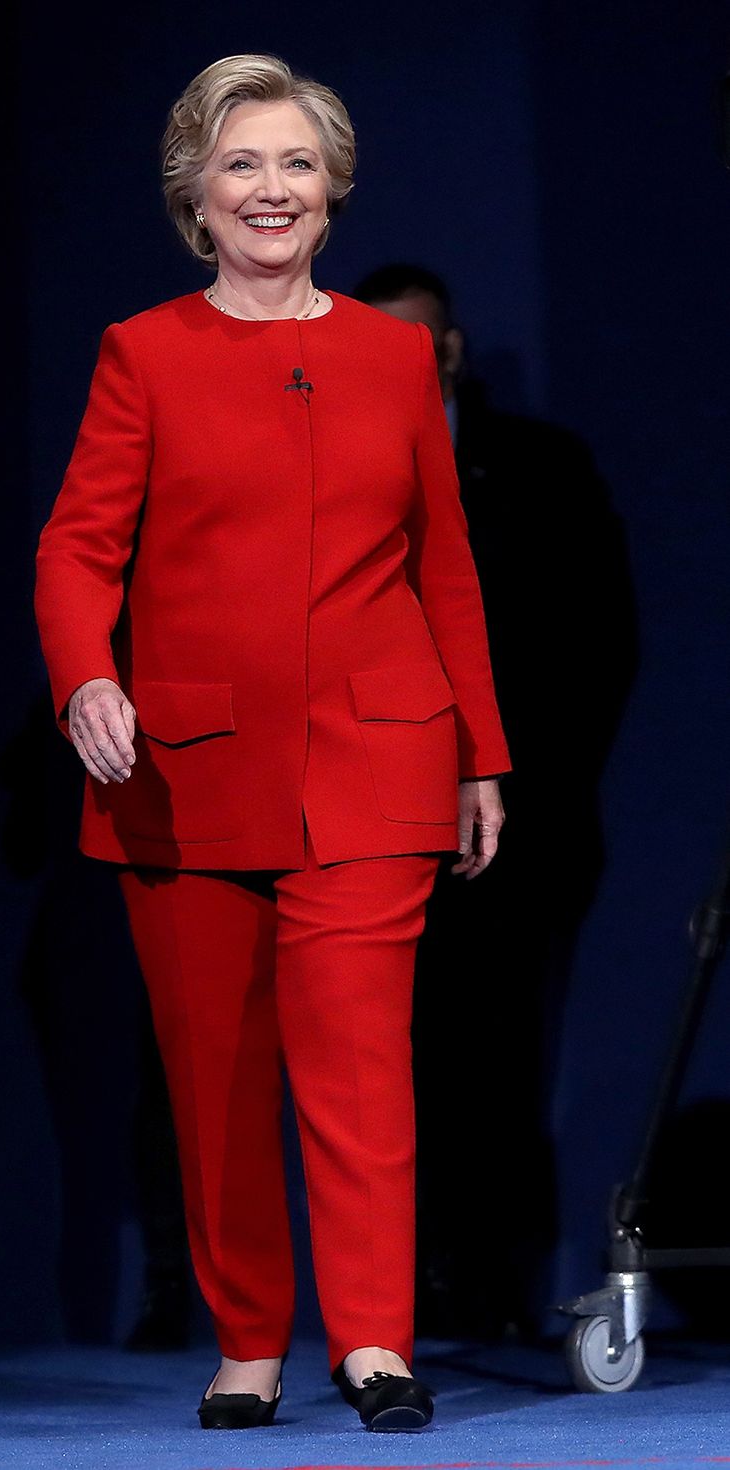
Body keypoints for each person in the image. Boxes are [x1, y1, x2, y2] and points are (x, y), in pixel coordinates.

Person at [34, 55, 510, 1434]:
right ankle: (249, 1340)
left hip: (377, 756)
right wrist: (84, 681)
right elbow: (76, 546)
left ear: (334, 186)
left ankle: (370, 1340)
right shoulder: (145, 352)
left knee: (359, 1062)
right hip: (185, 769)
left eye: (296, 162)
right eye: (242, 164)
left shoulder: (394, 353)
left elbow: (448, 566)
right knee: (218, 1075)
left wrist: (483, 750)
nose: (271, 189)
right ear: (195, 191)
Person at [355, 264, 638, 1339]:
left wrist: (524, 786)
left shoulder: (538, 468)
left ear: (453, 349)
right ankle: (410, 1287)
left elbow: (598, 643)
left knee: (509, 1053)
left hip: (524, 823)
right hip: (379, 822)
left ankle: (501, 1283)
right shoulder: (333, 468)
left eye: (418, 345)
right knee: (397, 1058)